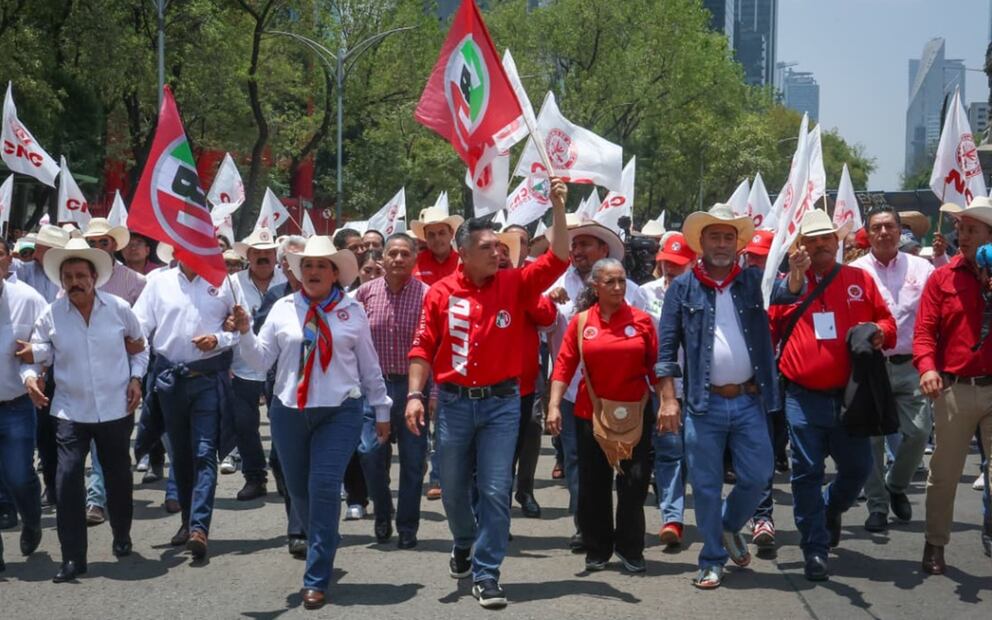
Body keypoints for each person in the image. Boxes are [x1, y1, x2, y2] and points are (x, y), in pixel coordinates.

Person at [405, 178, 570, 609]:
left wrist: (557, 207)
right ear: (463, 252)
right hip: (455, 404)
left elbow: (559, 257)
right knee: (455, 490)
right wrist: (414, 395)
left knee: (496, 489)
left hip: (501, 405)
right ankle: (463, 539)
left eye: (500, 246)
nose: (498, 252)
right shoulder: (440, 294)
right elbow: (423, 347)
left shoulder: (514, 283)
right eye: (488, 247)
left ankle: (487, 573)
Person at [230, 235, 391, 610]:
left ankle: (316, 575)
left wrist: (382, 410)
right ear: (299, 272)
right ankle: (325, 536)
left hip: (339, 412)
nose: (314, 271)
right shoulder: (283, 308)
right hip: (289, 411)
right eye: (308, 266)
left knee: (322, 488)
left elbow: (369, 367)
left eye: (322, 266)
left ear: (335, 274)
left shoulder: (352, 311)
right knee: (299, 493)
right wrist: (243, 332)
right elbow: (259, 361)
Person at [656, 204, 777, 589]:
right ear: (701, 242)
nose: (722, 244)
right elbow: (665, 352)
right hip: (701, 403)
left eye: (729, 237)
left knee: (758, 475)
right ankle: (711, 558)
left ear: (738, 243)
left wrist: (799, 277)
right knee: (705, 485)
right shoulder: (682, 288)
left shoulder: (756, 281)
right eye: (715, 236)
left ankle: (727, 526)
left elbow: (793, 292)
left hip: (749, 399)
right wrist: (668, 399)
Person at [771, 209, 895, 582]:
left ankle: (829, 509)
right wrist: (793, 279)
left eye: (828, 237)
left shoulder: (859, 279)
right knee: (806, 473)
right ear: (801, 246)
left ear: (838, 241)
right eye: (813, 239)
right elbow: (771, 326)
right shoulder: (787, 284)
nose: (822, 244)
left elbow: (887, 322)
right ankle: (815, 547)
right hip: (802, 397)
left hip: (850, 397)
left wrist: (879, 331)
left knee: (858, 468)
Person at [20, 239, 147, 582]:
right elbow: (37, 353)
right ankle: (73, 558)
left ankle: (122, 534)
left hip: (116, 409)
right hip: (69, 412)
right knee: (67, 480)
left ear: (94, 277)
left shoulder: (119, 308)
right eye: (68, 276)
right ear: (61, 280)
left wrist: (136, 378)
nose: (75, 282)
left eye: (81, 275)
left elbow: (140, 347)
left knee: (119, 478)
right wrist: (30, 378)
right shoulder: (51, 314)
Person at [548, 257, 659, 574]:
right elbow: (564, 367)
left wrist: (668, 402)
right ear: (595, 286)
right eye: (610, 281)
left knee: (634, 482)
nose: (618, 287)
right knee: (594, 484)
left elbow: (656, 367)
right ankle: (598, 547)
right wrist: (555, 405)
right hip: (590, 414)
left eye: (622, 280)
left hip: (636, 413)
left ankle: (630, 548)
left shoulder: (642, 321)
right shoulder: (582, 323)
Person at [132, 244, 242, 561]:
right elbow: (139, 329)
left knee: (205, 452)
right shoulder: (157, 282)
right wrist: (135, 373)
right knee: (179, 455)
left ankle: (199, 528)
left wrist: (219, 339)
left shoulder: (226, 282)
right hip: (169, 381)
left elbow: (241, 330)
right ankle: (186, 521)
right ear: (175, 249)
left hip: (208, 379)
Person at [914, 199, 992, 574]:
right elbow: (924, 332)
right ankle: (935, 542)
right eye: (960, 228)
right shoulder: (942, 278)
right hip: (955, 389)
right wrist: (928, 368)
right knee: (944, 473)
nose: (962, 235)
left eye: (972, 229)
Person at [851, 206, 934, 533]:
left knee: (919, 431)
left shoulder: (922, 268)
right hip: (871, 368)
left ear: (901, 231)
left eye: (889, 227)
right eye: (876, 228)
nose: (883, 233)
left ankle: (896, 485)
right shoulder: (855, 271)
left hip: (911, 365)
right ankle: (877, 506)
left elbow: (933, 315)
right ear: (868, 233)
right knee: (871, 440)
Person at [355, 233, 429, 548]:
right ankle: (382, 512)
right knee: (370, 453)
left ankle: (408, 526)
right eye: (392, 253)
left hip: (414, 390)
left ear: (414, 259)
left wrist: (433, 395)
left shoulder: (429, 295)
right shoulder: (363, 294)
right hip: (375, 388)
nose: (398, 259)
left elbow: (435, 349)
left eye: (404, 254)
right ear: (382, 258)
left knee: (413, 462)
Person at [640, 231, 696, 546]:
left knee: (694, 454)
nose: (669, 270)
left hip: (699, 388)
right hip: (657, 389)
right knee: (669, 452)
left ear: (692, 263)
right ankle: (672, 517)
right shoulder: (643, 294)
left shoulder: (704, 294)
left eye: (676, 264)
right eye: (664, 263)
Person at [497, 228, 555, 519]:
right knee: (501, 443)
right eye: (507, 243)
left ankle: (526, 489)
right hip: (496, 382)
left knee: (532, 429)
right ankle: (500, 502)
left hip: (529, 378)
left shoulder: (532, 276)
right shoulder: (488, 278)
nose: (513, 248)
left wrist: (526, 294)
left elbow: (548, 317)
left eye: (520, 242)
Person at [223, 228, 285, 500]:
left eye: (267, 252)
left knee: (282, 424)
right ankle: (255, 476)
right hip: (242, 365)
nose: (262, 257)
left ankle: (284, 474)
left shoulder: (288, 280)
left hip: (281, 367)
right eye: (256, 253)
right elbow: (219, 317)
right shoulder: (231, 282)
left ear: (275, 255)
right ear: (247, 256)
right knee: (244, 424)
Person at [0, 238, 47, 573]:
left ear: (8, 260)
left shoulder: (27, 299)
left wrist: (35, 363)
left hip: (15, 404)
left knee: (18, 477)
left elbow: (47, 340)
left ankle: (31, 520)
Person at [410, 205, 464, 286]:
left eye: (441, 233)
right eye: (431, 234)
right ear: (425, 237)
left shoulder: (464, 263)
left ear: (451, 233)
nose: (437, 239)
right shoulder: (413, 263)